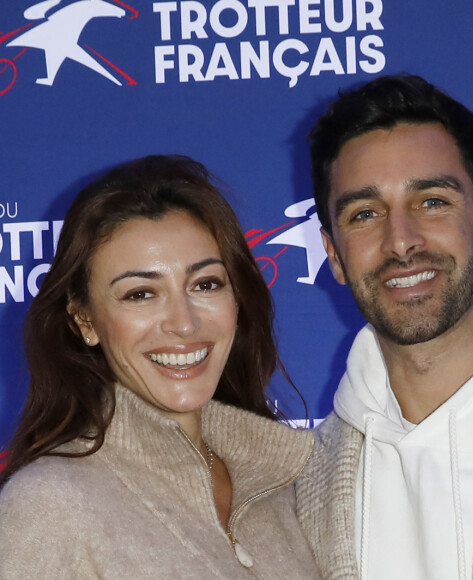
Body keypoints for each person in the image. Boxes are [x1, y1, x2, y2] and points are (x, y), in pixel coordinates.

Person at [294, 75, 473, 580]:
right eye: (365, 213)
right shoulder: (305, 484)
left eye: (431, 202)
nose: (401, 241)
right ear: (334, 255)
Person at [0, 155, 321, 579]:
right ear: (85, 320)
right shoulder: (49, 505)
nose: (184, 323)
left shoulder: (293, 486)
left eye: (205, 284)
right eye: (140, 294)